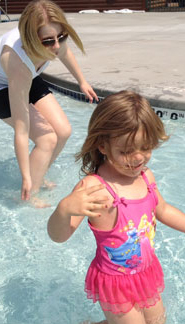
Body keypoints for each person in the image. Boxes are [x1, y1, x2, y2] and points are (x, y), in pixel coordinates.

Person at [47, 90, 185, 324]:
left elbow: (161, 210)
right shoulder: (95, 188)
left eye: (146, 147)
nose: (138, 158)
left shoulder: (146, 176)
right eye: (127, 151)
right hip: (115, 281)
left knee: (158, 321)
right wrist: (64, 209)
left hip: (146, 271)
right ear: (102, 145)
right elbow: (58, 236)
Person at [0, 0, 98, 207]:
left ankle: (39, 173)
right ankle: (29, 195)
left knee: (63, 131)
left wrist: (81, 81)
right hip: (4, 85)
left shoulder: (54, 41)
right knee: (46, 139)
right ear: (31, 40)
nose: (56, 46)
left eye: (61, 37)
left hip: (28, 75)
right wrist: (25, 176)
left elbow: (64, 52)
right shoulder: (16, 62)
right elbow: (21, 129)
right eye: (48, 41)